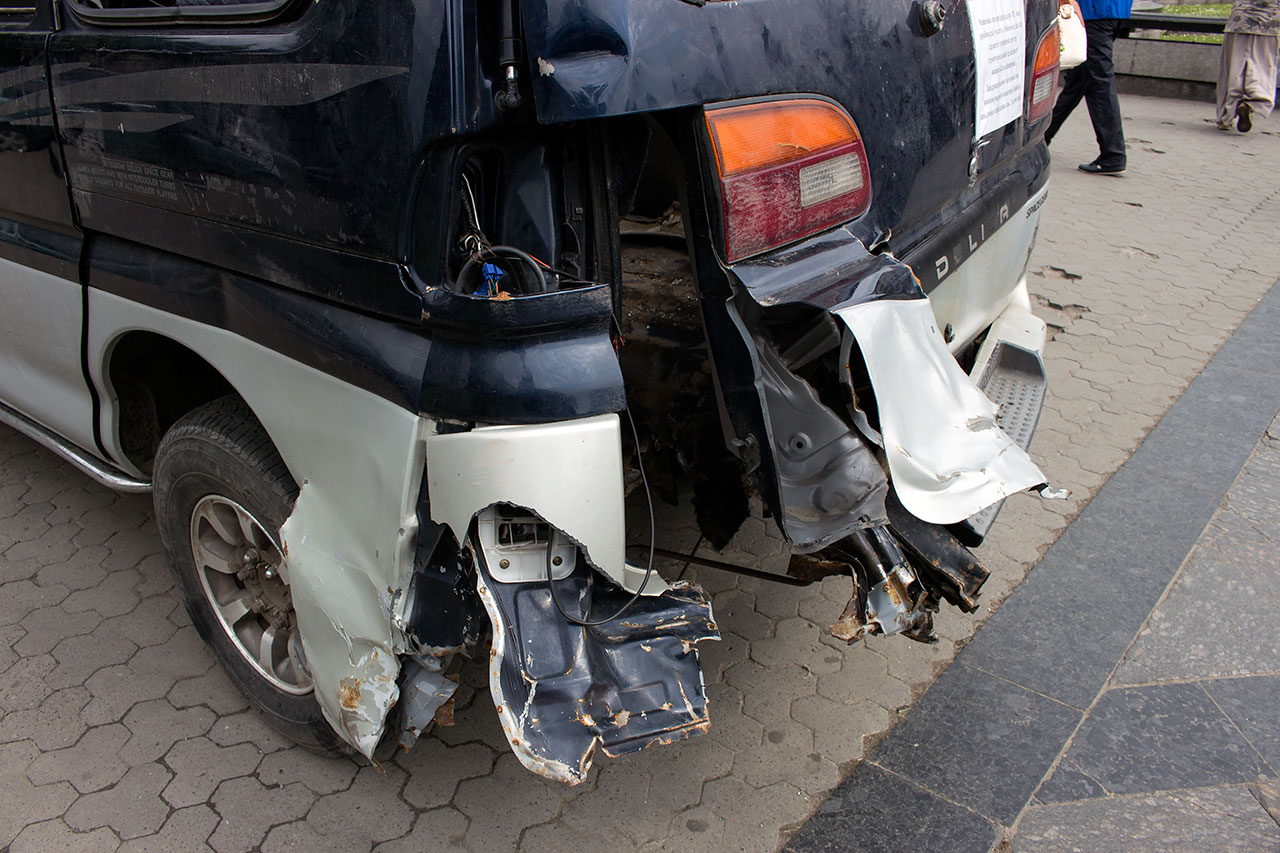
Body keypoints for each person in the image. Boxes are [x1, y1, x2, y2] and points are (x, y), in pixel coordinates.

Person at [1044, 0, 1134, 174]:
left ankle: (1113, 155)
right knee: (1078, 82)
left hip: (1094, 13)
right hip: (1113, 11)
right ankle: (1043, 137)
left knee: (1099, 83)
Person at [1216, 0, 1280, 131]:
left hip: (1239, 19)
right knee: (1262, 67)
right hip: (1269, 22)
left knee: (1232, 68)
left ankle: (1226, 116)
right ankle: (1253, 102)